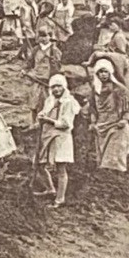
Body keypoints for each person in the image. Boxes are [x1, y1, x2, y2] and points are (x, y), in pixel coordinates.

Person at [35, 73, 79, 207]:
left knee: (61, 168)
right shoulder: (49, 100)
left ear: (64, 87)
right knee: (38, 164)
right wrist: (41, 116)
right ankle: (50, 189)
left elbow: (66, 124)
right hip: (47, 135)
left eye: (59, 86)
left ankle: (60, 199)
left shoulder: (69, 102)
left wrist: (48, 120)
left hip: (61, 138)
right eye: (53, 87)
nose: (56, 90)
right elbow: (43, 112)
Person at [89, 59, 129, 174]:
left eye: (105, 72)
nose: (103, 74)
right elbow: (92, 108)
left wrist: (125, 119)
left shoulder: (118, 89)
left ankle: (118, 178)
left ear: (110, 73)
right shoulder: (95, 90)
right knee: (103, 161)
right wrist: (93, 122)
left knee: (114, 160)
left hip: (116, 127)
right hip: (101, 126)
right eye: (100, 72)